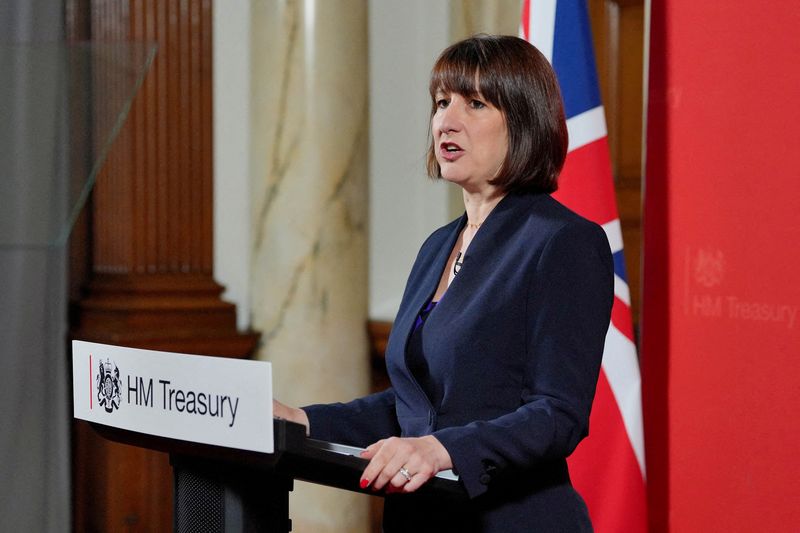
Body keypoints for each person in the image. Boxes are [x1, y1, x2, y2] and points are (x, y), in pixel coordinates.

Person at [274, 34, 613, 532]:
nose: (447, 121)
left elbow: (557, 413)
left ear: (523, 120)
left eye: (475, 103)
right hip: (424, 520)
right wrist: (304, 422)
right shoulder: (438, 245)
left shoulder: (563, 242)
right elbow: (416, 408)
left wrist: (442, 451)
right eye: (441, 102)